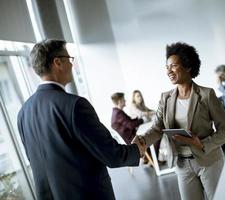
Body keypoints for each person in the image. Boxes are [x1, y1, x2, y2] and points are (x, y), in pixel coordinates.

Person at [17, 39, 146, 200]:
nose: (72, 65)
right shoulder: (74, 105)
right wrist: (136, 150)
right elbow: (109, 154)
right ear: (57, 62)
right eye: (69, 59)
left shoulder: (23, 112)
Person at [133, 42, 225, 200]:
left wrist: (202, 144)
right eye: (167, 67)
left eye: (173, 66)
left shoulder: (207, 95)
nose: (169, 71)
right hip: (182, 164)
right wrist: (142, 140)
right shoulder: (165, 99)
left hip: (209, 161)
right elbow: (157, 129)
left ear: (188, 67)